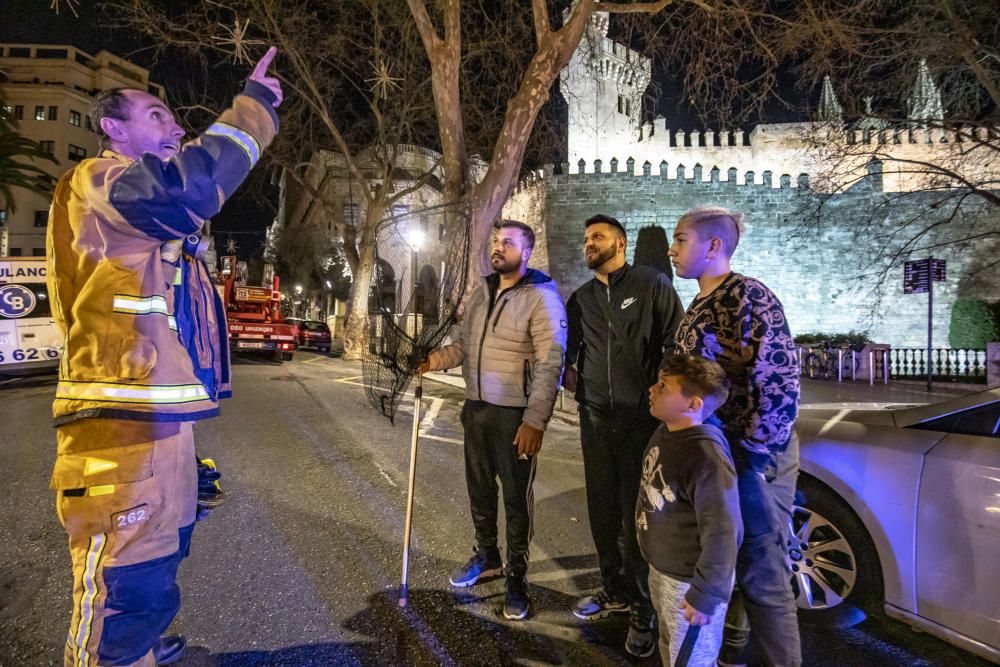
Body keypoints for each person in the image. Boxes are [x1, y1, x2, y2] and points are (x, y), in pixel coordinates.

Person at [46, 48, 282, 666]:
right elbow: (193, 187)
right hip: (118, 424)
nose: (175, 126)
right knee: (122, 584)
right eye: (158, 115)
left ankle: (140, 650)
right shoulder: (99, 179)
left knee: (157, 561)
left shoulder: (139, 218)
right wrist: (252, 109)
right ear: (114, 130)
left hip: (154, 422)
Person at [668, 206, 801, 666]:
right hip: (721, 456)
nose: (672, 250)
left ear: (714, 246)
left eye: (681, 240)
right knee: (732, 562)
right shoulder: (700, 303)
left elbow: (779, 381)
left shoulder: (747, 296)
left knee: (764, 576)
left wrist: (755, 453)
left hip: (750, 457)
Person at [418, 220, 567, 621]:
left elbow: (551, 362)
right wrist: (434, 360)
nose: (497, 247)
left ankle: (517, 578)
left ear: (527, 251)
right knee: (480, 491)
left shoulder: (542, 298)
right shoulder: (482, 292)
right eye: (495, 241)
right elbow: (465, 347)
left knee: (517, 500)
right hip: (476, 408)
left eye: (507, 243)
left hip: (515, 414)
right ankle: (487, 557)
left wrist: (535, 420)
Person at [563, 213, 684, 658]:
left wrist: (665, 391)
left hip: (641, 423)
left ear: (621, 243)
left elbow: (677, 340)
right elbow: (569, 351)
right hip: (595, 420)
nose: (588, 243)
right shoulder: (581, 298)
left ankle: (643, 609)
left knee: (639, 517)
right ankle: (614, 588)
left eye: (597, 237)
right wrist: (567, 374)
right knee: (602, 510)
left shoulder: (652, 285)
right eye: (585, 238)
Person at [637, 354, 742, 667]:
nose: (652, 390)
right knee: (670, 644)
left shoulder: (706, 459)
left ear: (693, 405)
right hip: (662, 570)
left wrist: (706, 593)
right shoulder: (666, 431)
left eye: (664, 386)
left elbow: (724, 531)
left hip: (688, 584)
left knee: (691, 658)